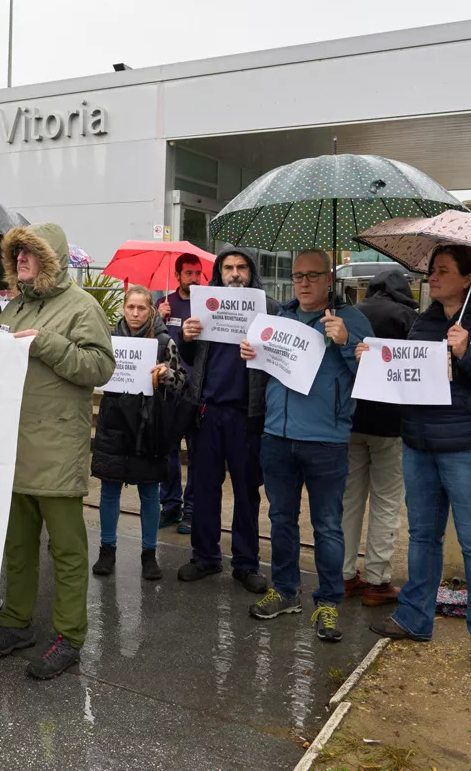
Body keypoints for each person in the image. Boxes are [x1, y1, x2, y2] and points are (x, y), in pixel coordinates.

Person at [367, 245, 471, 678]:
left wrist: (466, 354)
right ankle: (414, 619)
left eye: (442, 271)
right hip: (419, 444)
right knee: (422, 536)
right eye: (431, 270)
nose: (432, 277)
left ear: (467, 277)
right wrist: (371, 359)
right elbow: (407, 368)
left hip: (469, 449)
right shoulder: (427, 317)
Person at [0, 223, 114, 680]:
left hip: (56, 447)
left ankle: (69, 636)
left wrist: (49, 343)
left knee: (68, 551)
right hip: (12, 446)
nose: (20, 260)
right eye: (16, 254)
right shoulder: (13, 307)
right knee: (16, 545)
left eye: (29, 254)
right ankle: (17, 622)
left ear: (50, 259)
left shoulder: (82, 307)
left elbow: (100, 367)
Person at [247, 249, 373, 644]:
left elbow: (371, 377)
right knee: (281, 519)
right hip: (277, 436)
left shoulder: (352, 319)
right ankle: (284, 591)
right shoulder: (281, 318)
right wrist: (252, 354)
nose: (302, 282)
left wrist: (347, 341)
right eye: (298, 275)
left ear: (329, 279)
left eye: (312, 276)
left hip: (326, 440)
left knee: (327, 526)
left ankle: (329, 602)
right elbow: (271, 368)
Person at [177, 248, 277, 595]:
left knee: (247, 492)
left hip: (248, 415)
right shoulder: (204, 307)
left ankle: (246, 563)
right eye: (229, 267)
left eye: (242, 267)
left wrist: (261, 353)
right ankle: (204, 556)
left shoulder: (270, 309)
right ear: (219, 273)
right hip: (207, 412)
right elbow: (191, 358)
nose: (235, 273)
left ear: (252, 272)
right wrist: (186, 338)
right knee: (204, 488)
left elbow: (279, 361)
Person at [92, 285, 186, 581]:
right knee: (109, 489)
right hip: (115, 420)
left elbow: (181, 379)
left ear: (151, 310)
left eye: (141, 308)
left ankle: (149, 553)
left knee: (149, 491)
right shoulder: (109, 339)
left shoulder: (163, 342)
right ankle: (107, 548)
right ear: (123, 308)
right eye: (130, 307)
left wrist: (167, 374)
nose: (135, 313)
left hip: (149, 423)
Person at [342, 270, 419, 607]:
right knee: (386, 502)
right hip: (392, 424)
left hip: (352, 418)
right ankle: (377, 582)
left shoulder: (355, 315)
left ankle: (343, 575)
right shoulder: (410, 318)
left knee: (348, 500)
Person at [157, 253, 205, 531]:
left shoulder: (206, 304)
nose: (194, 278)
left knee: (197, 454)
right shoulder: (163, 304)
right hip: (169, 390)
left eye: (198, 273)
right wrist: (157, 317)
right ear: (177, 276)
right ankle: (170, 505)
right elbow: (153, 342)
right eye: (189, 273)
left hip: (197, 390)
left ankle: (191, 510)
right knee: (168, 452)